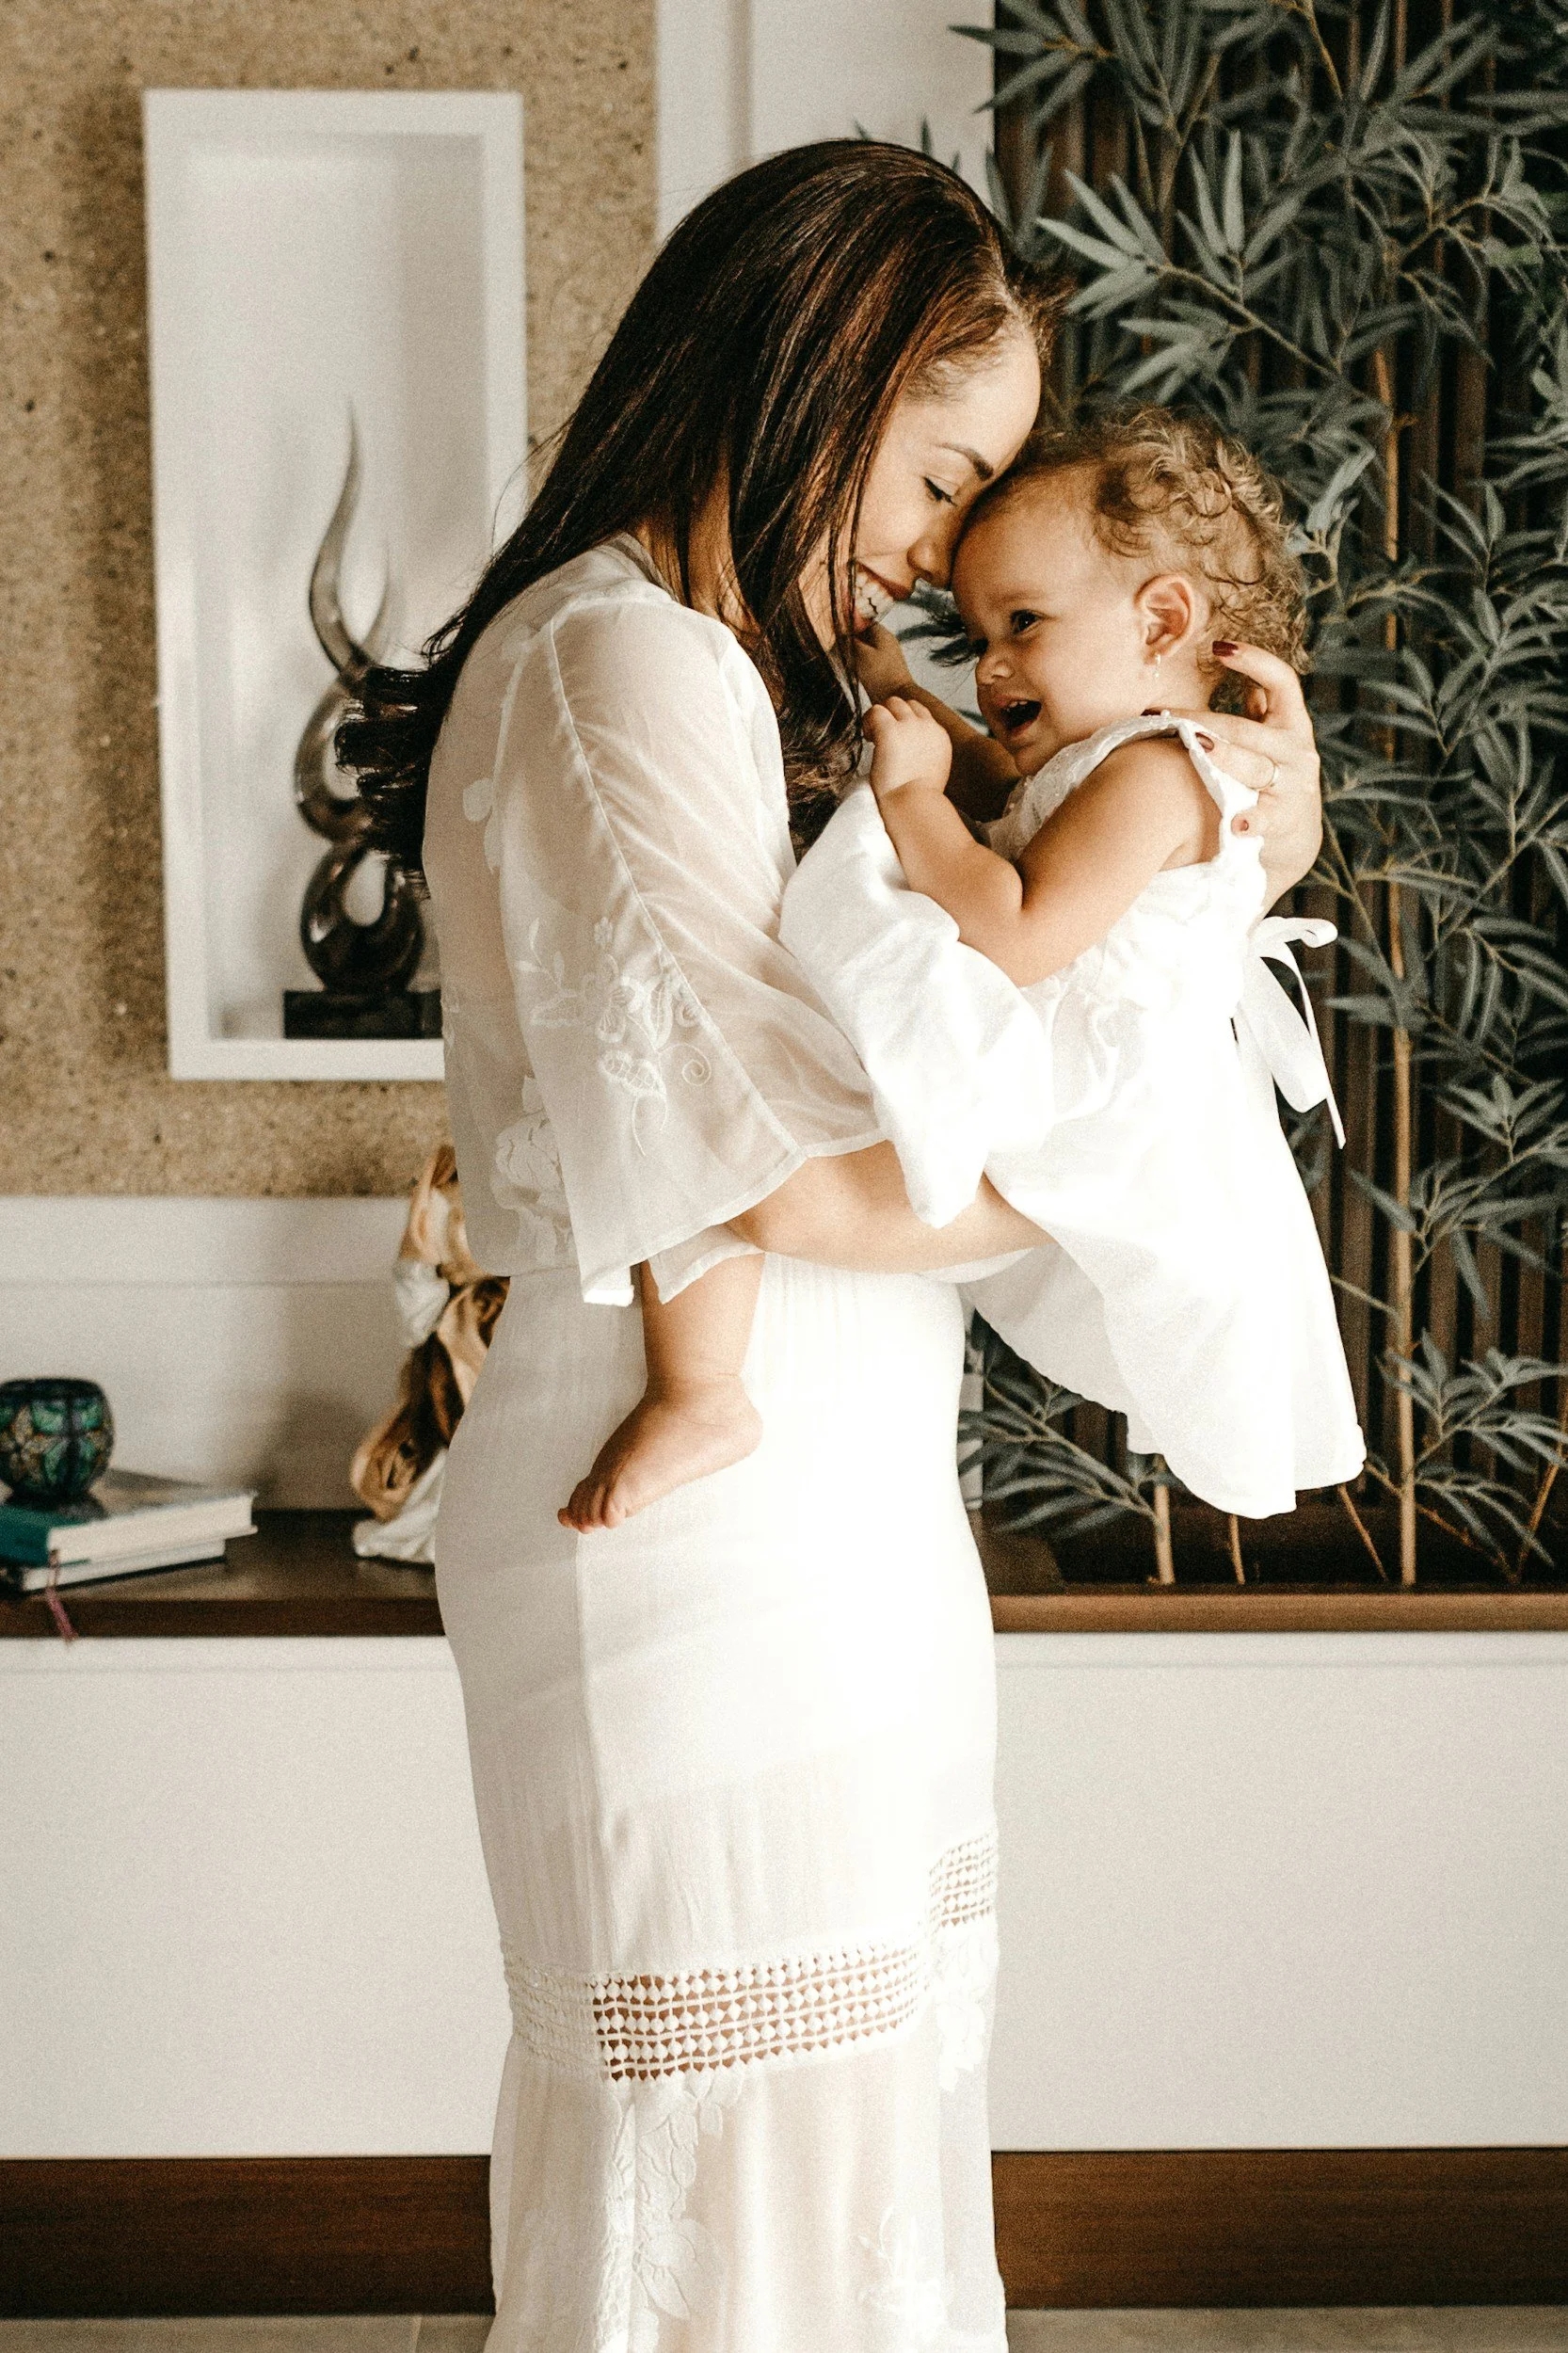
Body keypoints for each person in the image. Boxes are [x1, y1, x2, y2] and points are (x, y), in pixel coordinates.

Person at [340, 146, 1322, 2353]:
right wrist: (1133, 1185)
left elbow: (963, 1036)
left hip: (838, 1503)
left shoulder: (707, 663)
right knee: (735, 2186)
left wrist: (1235, 824)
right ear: (817, 362)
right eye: (941, 466)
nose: (946, 548)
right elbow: (783, 1169)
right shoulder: (627, 658)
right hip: (711, 1522)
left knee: (846, 2159)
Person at [564, 408, 1358, 1534]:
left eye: (1021, 624)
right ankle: (699, 1389)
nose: (988, 668)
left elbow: (1017, 926)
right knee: (716, 1126)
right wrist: (902, 695)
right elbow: (1003, 789)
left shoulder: (1160, 779)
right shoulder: (1105, 757)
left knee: (737, 1165)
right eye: (974, 634)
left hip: (1093, 1098)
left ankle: (700, 1391)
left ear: (1163, 619)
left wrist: (905, 799)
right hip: (1048, 1056)